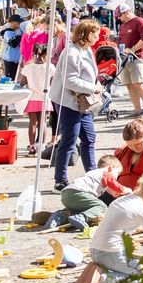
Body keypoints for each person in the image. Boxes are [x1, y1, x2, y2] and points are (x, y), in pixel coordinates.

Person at [88, 167, 143, 283]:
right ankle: (104, 279)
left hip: (95, 251)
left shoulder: (123, 199)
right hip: (111, 254)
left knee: (139, 267)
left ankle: (97, 271)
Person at [51, 19, 104, 190]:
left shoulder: (86, 50)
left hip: (83, 101)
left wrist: (96, 85)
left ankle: (92, 174)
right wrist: (93, 88)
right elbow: (70, 81)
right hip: (69, 101)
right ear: (87, 34)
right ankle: (60, 179)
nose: (98, 36)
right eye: (95, 33)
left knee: (89, 138)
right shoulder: (71, 53)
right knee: (69, 140)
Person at [43, 154, 129, 233]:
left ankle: (59, 216)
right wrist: (126, 190)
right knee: (101, 206)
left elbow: (110, 190)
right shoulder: (106, 173)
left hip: (66, 193)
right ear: (111, 168)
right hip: (79, 192)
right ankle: (81, 217)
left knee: (77, 210)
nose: (117, 177)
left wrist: (115, 193)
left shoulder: (94, 174)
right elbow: (116, 186)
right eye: (117, 173)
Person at [116, 6, 143, 116]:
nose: (119, 18)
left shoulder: (140, 22)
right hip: (125, 57)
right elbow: (122, 40)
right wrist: (115, 40)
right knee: (129, 84)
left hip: (138, 56)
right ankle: (137, 109)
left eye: (120, 15)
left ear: (126, 12)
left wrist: (133, 49)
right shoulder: (123, 25)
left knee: (138, 83)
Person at [20, 43, 52, 156]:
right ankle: (42, 147)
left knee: (32, 123)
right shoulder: (50, 67)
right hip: (45, 97)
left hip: (32, 98)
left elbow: (22, 83)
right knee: (43, 123)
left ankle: (32, 147)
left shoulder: (28, 67)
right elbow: (52, 82)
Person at [0, 14, 23, 80]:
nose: (20, 24)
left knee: (15, 78)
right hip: (9, 60)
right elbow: (13, 44)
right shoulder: (8, 32)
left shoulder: (18, 31)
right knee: (9, 79)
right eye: (19, 22)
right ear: (12, 22)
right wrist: (20, 36)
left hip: (17, 60)